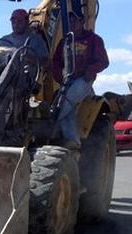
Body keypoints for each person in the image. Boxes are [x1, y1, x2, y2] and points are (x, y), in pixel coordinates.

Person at [52, 11, 109, 150]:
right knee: (68, 108)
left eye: (75, 21)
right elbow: (56, 61)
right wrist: (59, 77)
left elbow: (103, 61)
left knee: (66, 102)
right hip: (67, 80)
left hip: (83, 80)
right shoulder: (65, 41)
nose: (72, 24)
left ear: (82, 21)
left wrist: (89, 72)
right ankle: (73, 142)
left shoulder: (94, 40)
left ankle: (52, 125)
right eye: (70, 21)